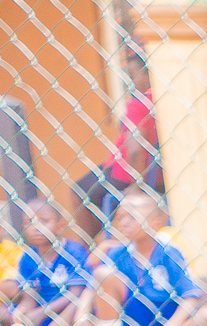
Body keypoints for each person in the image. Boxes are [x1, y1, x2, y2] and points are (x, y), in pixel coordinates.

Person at [85, 189, 207, 326]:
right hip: (133, 317)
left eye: (132, 217)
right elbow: (93, 286)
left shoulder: (170, 252)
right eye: (120, 218)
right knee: (102, 273)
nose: (124, 223)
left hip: (167, 317)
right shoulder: (117, 252)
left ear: (155, 224)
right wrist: (82, 318)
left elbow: (190, 296)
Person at [72, 51, 164, 237]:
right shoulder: (161, 100)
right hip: (155, 172)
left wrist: (136, 186)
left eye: (133, 75)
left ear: (148, 74)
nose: (130, 81)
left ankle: (89, 246)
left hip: (125, 172)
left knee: (78, 191)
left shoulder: (138, 105)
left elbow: (135, 149)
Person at [4, 198, 98, 326]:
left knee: (76, 303)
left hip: (69, 311)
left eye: (44, 221)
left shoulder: (73, 250)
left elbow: (76, 293)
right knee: (8, 312)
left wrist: (43, 311)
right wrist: (24, 310)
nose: (35, 227)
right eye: (29, 222)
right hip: (43, 312)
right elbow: (29, 295)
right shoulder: (27, 257)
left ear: (60, 226)